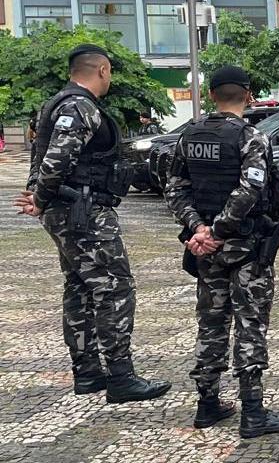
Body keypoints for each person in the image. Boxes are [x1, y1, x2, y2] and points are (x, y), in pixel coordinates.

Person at [13, 44, 171, 403]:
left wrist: (38, 195)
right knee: (114, 287)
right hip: (82, 211)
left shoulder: (54, 104)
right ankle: (120, 376)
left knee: (81, 286)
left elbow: (39, 158)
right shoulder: (80, 106)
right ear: (102, 71)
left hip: (67, 209)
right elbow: (56, 161)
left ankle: (87, 372)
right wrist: (39, 197)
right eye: (110, 72)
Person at [164, 66, 279, 437]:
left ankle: (207, 403)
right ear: (248, 93)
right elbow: (250, 190)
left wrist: (198, 229)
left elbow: (175, 187)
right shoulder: (251, 137)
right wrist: (218, 231)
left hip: (206, 249)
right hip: (245, 247)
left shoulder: (189, 136)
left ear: (211, 94)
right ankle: (252, 411)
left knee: (211, 322)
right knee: (250, 324)